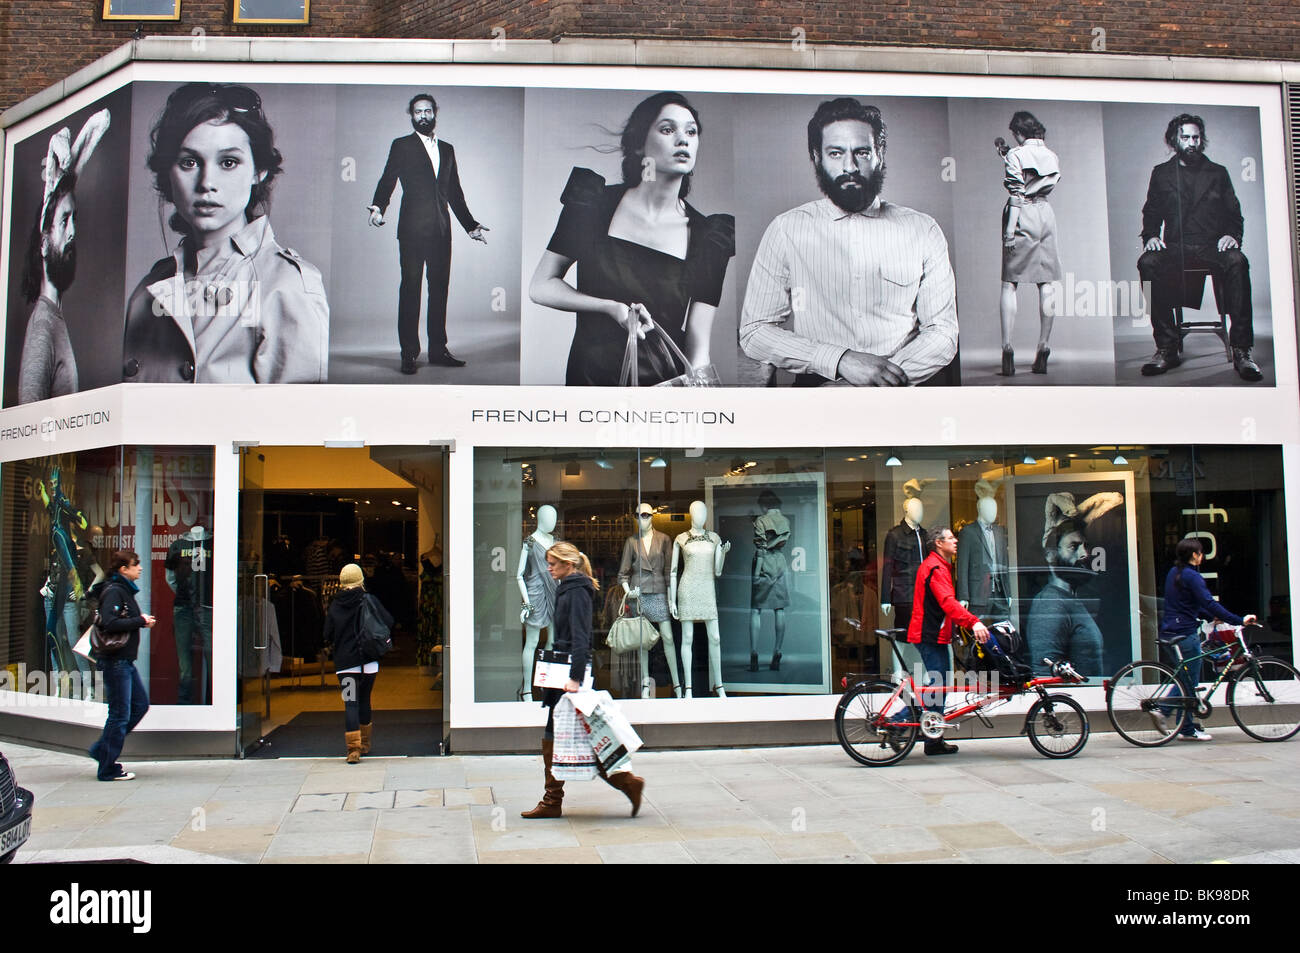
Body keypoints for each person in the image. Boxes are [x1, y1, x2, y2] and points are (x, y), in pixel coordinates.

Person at [740, 97, 958, 387]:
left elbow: (942, 333)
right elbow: (755, 331)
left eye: (862, 152)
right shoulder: (786, 229)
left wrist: (876, 382)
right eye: (835, 153)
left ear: (880, 155)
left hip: (902, 388)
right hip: (818, 390)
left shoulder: (923, 230)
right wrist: (839, 360)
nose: (850, 166)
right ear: (817, 158)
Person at [122, 82, 328, 384]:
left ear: (259, 171)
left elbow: (298, 426)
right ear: (169, 171)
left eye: (228, 162)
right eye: (189, 162)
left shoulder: (287, 287)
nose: (207, 182)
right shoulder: (147, 292)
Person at [528, 91, 735, 386]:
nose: (683, 139)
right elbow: (540, 286)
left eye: (691, 132)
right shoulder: (593, 204)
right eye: (667, 129)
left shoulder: (711, 236)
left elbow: (698, 349)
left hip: (664, 390)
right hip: (590, 380)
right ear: (639, 144)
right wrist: (611, 308)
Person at [521, 541, 644, 818]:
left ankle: (554, 800)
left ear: (568, 564)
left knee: (559, 735)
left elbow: (580, 638)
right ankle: (626, 784)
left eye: (553, 563)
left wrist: (575, 679)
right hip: (564, 673)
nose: (549, 567)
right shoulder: (570, 587)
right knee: (577, 736)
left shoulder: (576, 591)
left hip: (569, 676)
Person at [369, 93, 488, 374]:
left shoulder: (447, 149)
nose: (423, 115)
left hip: (441, 231)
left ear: (435, 113)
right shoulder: (401, 146)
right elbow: (388, 179)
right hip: (411, 230)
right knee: (410, 290)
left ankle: (438, 351)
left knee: (439, 291)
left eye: (427, 111)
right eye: (417, 112)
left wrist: (470, 226)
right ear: (411, 116)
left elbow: (454, 193)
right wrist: (378, 208)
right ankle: (409, 354)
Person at [1137, 113, 1261, 382]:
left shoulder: (1218, 173)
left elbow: (1234, 214)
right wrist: (1150, 236)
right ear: (1174, 140)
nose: (1192, 142)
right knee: (1147, 263)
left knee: (1238, 261)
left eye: (1196, 137)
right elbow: (1152, 211)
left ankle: (1242, 350)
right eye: (1186, 137)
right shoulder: (1161, 173)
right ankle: (1167, 347)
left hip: (1211, 246)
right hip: (1177, 247)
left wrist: (1231, 235)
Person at [17, 108, 111, 403]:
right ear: (43, 245)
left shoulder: (55, 318)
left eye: (75, 220)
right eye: (63, 221)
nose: (73, 232)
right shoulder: (43, 328)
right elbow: (29, 424)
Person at [1157, 538, 1257, 741]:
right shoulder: (1192, 576)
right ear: (1195, 555)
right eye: (1201, 553)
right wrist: (1239, 620)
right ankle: (1163, 710)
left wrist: (1211, 617)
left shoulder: (1174, 573)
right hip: (1185, 634)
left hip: (1170, 631)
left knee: (1187, 681)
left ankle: (1185, 729)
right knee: (1189, 681)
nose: (1202, 556)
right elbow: (1208, 602)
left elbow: (1186, 603)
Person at [905, 527, 989, 756]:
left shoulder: (939, 566)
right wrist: (973, 622)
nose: (955, 541)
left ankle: (934, 739)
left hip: (935, 635)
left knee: (938, 687)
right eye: (951, 538)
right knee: (936, 687)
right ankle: (898, 723)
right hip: (929, 636)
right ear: (938, 543)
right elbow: (947, 603)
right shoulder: (934, 567)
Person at [1026, 490, 1123, 676]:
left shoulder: (1069, 598)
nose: (1084, 554)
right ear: (1050, 554)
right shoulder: (1051, 605)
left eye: (1085, 546)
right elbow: (1044, 672)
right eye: (1073, 546)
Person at [996, 110, 1062, 376]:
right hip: (1045, 215)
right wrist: (1007, 154)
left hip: (1021, 215)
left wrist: (1009, 232)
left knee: (1009, 283)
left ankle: (1007, 348)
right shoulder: (1052, 155)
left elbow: (1016, 194)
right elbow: (1036, 178)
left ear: (1018, 132)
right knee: (1046, 283)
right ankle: (1044, 346)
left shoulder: (1016, 155)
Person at [87, 550, 156, 782]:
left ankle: (102, 750)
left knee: (139, 706)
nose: (141, 568)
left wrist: (139, 620)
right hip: (116, 662)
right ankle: (107, 767)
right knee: (119, 714)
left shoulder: (122, 590)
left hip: (123, 661)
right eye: (136, 564)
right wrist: (141, 621)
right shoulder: (116, 591)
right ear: (123, 569)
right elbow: (110, 622)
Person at [322, 563, 391, 763]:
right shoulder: (369, 600)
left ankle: (353, 750)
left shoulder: (335, 604)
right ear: (361, 580)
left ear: (342, 582)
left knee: (350, 703)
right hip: (369, 662)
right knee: (365, 699)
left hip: (345, 665)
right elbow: (387, 621)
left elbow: (327, 633)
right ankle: (366, 744)